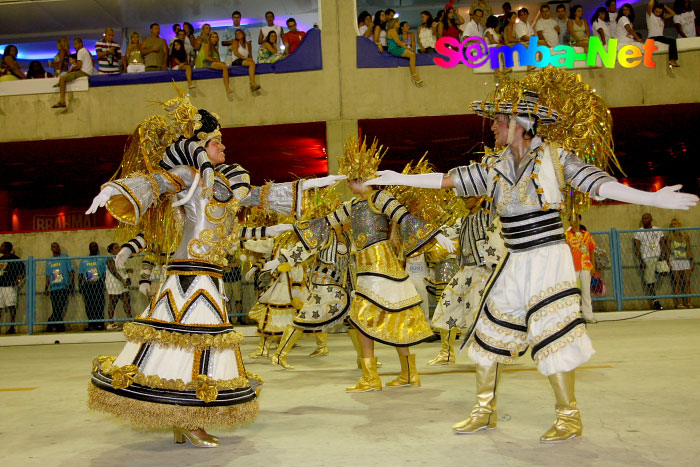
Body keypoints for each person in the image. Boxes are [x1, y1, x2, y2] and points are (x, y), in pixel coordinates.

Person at [367, 68, 697, 441]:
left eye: (499, 120)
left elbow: (600, 185)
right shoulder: (493, 167)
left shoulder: (556, 159)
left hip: (548, 258)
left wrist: (651, 198)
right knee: (487, 332)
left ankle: (569, 418)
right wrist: (391, 177)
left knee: (550, 332)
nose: (492, 127)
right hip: (514, 259)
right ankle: (483, 410)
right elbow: (446, 179)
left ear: (520, 123)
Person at [84, 93, 344, 446]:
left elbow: (261, 196)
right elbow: (156, 182)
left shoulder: (225, 183)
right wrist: (116, 191)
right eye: (217, 141)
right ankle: (191, 419)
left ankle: (183, 417)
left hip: (210, 274)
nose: (223, 146)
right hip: (189, 275)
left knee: (195, 347)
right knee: (192, 346)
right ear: (201, 147)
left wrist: (314, 183)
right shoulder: (188, 175)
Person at [293, 138, 455, 392]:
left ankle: (372, 377)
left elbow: (404, 216)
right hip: (369, 268)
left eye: (352, 179)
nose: (349, 184)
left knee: (361, 319)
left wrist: (436, 235)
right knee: (394, 317)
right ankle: (408, 374)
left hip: (379, 268)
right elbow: (326, 222)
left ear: (362, 178)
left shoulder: (379, 198)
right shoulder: (353, 206)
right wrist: (293, 228)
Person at [565, 215, 597, 323]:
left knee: (586, 291)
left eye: (576, 219)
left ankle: (588, 315)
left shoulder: (587, 235)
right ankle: (573, 315)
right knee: (572, 292)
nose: (574, 222)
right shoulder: (567, 236)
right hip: (573, 267)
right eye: (572, 220)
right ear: (569, 222)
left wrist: (593, 267)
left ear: (580, 220)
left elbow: (592, 250)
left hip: (586, 266)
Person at [634, 213, 666, 310]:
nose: (644, 220)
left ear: (651, 219)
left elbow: (663, 243)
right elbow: (636, 247)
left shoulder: (657, 230)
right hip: (647, 258)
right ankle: (655, 301)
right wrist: (640, 260)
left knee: (665, 271)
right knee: (650, 281)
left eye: (646, 218)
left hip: (658, 257)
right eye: (643, 218)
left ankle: (657, 271)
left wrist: (664, 255)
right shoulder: (638, 232)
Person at [51, 38, 94, 109]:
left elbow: (79, 66)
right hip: (87, 72)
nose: (74, 46)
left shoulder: (80, 51)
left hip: (84, 72)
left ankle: (62, 101)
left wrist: (70, 70)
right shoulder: (86, 50)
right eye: (74, 44)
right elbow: (92, 60)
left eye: (76, 44)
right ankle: (60, 84)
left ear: (81, 43)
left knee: (62, 78)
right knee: (65, 78)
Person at [45, 242, 74, 333]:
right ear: (51, 249)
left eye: (57, 246)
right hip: (54, 288)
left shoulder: (65, 258)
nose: (56, 248)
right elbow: (47, 276)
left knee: (60, 306)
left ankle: (50, 323)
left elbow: (71, 272)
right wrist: (46, 287)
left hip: (63, 286)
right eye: (54, 247)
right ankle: (59, 326)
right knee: (56, 308)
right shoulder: (49, 261)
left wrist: (71, 284)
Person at [386, 18, 423, 86]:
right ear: (394, 23)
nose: (399, 24)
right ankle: (414, 75)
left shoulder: (394, 31)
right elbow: (397, 42)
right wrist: (406, 48)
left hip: (397, 48)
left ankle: (414, 75)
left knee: (412, 54)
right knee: (412, 55)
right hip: (395, 49)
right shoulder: (392, 31)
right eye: (398, 22)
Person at [79, 242, 107, 331]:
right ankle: (91, 324)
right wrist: (80, 285)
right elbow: (80, 274)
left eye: (96, 246)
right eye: (92, 246)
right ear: (89, 248)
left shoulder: (101, 259)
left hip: (98, 284)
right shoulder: (84, 260)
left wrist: (105, 284)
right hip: (88, 285)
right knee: (89, 305)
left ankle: (100, 324)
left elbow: (105, 273)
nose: (94, 248)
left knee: (99, 304)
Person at [666, 218, 693, 308]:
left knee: (687, 281)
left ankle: (688, 302)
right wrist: (668, 261)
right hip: (674, 260)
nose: (675, 226)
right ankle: (679, 303)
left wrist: (691, 261)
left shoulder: (685, 236)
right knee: (676, 282)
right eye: (673, 224)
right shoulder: (670, 237)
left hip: (684, 259)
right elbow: (667, 250)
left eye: (676, 224)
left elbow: (688, 248)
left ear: (680, 225)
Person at [105, 243, 132, 331]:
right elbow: (114, 271)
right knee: (113, 302)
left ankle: (130, 321)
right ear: (111, 251)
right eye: (116, 248)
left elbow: (121, 270)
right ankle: (111, 323)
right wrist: (122, 280)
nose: (119, 249)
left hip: (122, 283)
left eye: (119, 247)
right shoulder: (110, 259)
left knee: (127, 301)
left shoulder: (120, 259)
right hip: (114, 283)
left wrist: (127, 275)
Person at [0, 242, 25, 335]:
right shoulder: (1, 259)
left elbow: (23, 271)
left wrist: (18, 281)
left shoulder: (15, 259)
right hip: (0, 286)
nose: (0, 247)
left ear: (6, 248)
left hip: (10, 286)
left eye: (2, 246)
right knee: (0, 307)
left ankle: (12, 326)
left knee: (11, 306)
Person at [647, 0, 680, 67]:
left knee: (673, 40)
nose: (658, 13)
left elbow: (673, 13)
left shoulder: (662, 18)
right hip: (653, 37)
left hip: (659, 37)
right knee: (672, 40)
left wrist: (664, 6)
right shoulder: (650, 16)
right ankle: (672, 60)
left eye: (660, 12)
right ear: (654, 10)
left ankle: (672, 60)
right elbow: (650, 5)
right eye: (656, 11)